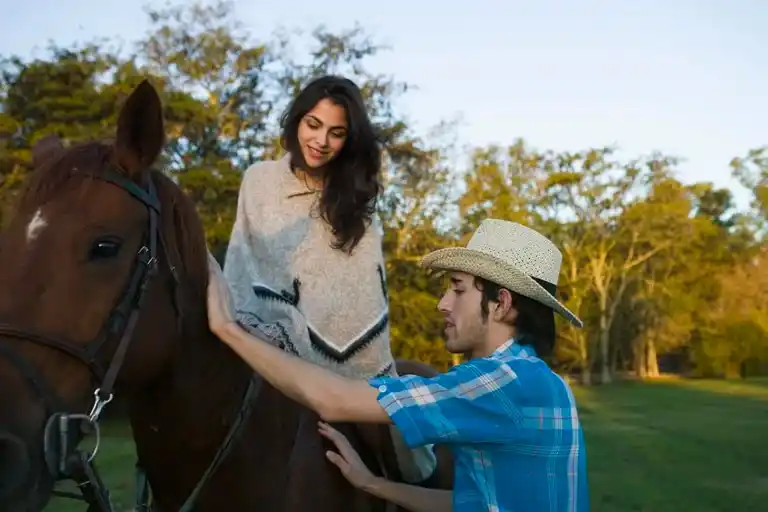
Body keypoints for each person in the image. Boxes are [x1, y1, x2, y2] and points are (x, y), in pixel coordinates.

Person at [208, 218, 590, 511]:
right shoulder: (546, 383)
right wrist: (373, 484)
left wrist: (229, 330)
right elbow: (475, 504)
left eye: (457, 289)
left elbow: (334, 399)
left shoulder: (498, 383)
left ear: (501, 303)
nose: (443, 303)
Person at [221, 74, 436, 483]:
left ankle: (395, 492)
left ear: (349, 140)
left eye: (336, 133)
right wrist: (260, 325)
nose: (320, 141)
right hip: (264, 333)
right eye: (313, 125)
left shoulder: (357, 194)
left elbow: (361, 279)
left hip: (348, 354)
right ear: (297, 121)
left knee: (395, 444)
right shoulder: (259, 180)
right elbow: (244, 260)